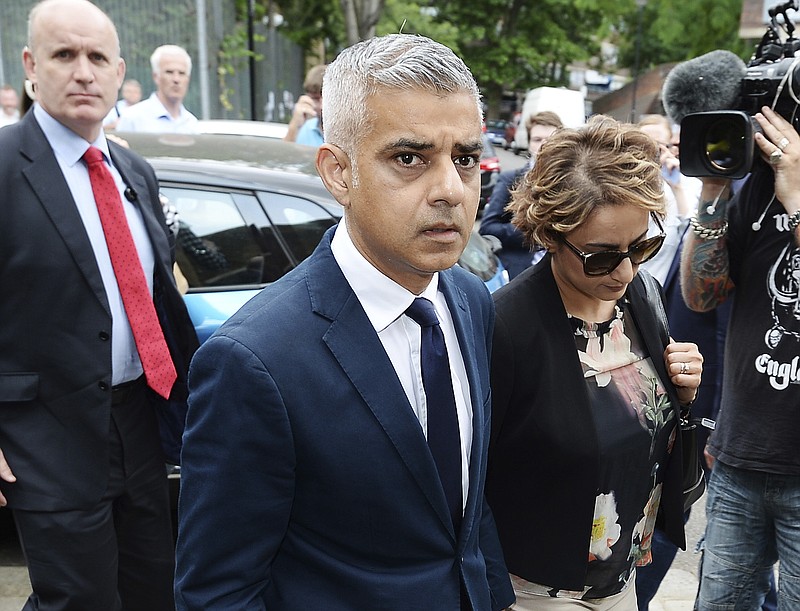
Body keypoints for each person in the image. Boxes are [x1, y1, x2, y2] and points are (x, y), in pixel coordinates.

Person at [175, 33, 515, 610]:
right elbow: (218, 593)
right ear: (337, 173)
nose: (450, 191)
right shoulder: (254, 362)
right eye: (409, 158)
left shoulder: (469, 300)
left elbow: (464, 507)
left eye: (464, 158)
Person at [0, 1, 199, 608]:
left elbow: (156, 294)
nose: (82, 72)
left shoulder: (133, 171)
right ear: (33, 66)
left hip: (138, 424)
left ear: (118, 71)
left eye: (96, 58)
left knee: (152, 590)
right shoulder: (5, 169)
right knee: (80, 598)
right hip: (45, 434)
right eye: (65, 55)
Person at [486, 116, 703, 609]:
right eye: (601, 256)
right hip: (538, 590)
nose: (625, 270)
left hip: (624, 577)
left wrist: (680, 393)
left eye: (642, 246)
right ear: (550, 236)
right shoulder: (506, 327)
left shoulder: (641, 296)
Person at [681, 104, 800, 609]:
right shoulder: (760, 186)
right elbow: (702, 297)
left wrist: (796, 197)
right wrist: (712, 195)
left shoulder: (788, 186)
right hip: (740, 458)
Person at [479, 110, 562, 279]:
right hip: (520, 274)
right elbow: (488, 228)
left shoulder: (573, 181)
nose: (544, 145)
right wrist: (533, 228)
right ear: (529, 143)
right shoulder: (510, 180)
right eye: (537, 140)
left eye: (550, 139)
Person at [116, 44, 198, 133]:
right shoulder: (132, 119)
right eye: (169, 72)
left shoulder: (191, 123)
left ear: (188, 79)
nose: (176, 79)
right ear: (156, 76)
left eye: (182, 73)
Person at [283, 63, 325, 145]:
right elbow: (284, 155)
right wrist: (295, 124)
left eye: (326, 99)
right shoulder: (305, 129)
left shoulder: (349, 131)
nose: (321, 106)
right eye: (315, 99)